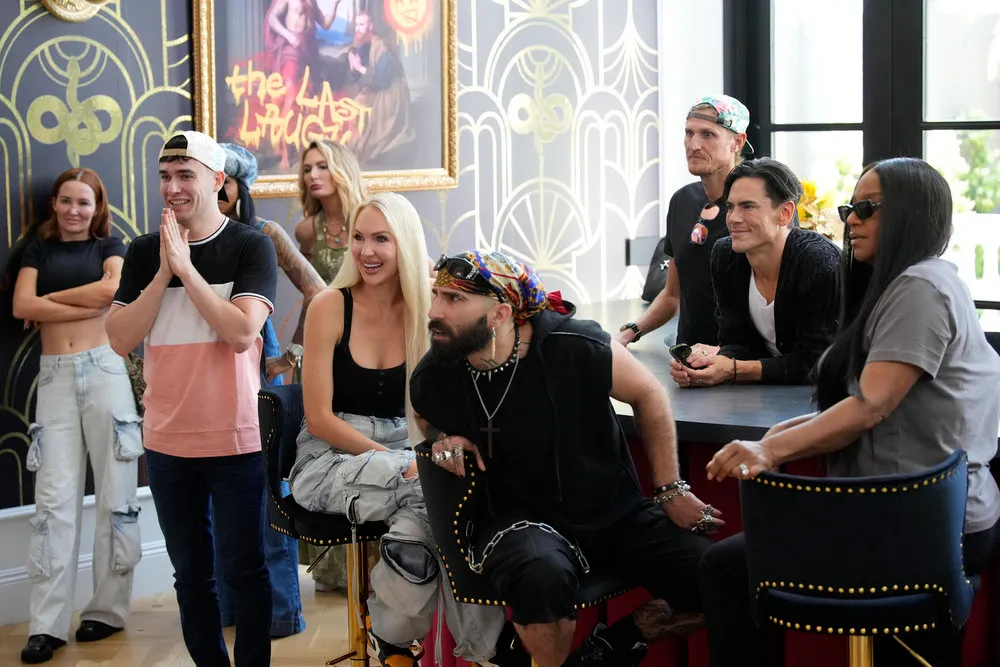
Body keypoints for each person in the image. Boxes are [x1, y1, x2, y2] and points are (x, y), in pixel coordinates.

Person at [700, 157, 1000, 667]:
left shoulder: (921, 289)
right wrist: (774, 438)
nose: (851, 220)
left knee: (727, 568)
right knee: (729, 565)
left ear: (910, 213)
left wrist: (770, 449)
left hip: (923, 523)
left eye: (867, 209)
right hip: (906, 512)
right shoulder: (907, 282)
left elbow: (870, 407)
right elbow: (859, 404)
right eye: (849, 209)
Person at [410, 250, 722, 667]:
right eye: (436, 295)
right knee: (541, 576)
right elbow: (425, 415)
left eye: (453, 299)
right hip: (515, 519)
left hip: (612, 512)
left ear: (501, 313)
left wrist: (669, 490)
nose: (434, 311)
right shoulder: (436, 374)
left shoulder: (576, 343)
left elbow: (649, 394)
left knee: (718, 577)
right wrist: (441, 438)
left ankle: (615, 644)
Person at [287, 194, 506, 666]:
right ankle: (487, 652)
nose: (366, 251)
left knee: (428, 512)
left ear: (405, 244)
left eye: (382, 239)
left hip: (406, 452)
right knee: (435, 488)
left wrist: (420, 457)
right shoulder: (330, 306)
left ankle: (391, 637)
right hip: (330, 458)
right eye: (359, 238)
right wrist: (406, 463)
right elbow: (320, 419)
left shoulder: (428, 306)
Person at [106, 131, 278, 667]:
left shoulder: (251, 245)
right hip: (167, 441)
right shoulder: (143, 252)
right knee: (191, 576)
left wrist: (186, 270)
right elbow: (119, 338)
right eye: (165, 176)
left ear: (218, 180)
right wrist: (163, 272)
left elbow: (242, 333)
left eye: (186, 175)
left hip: (236, 438)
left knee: (245, 571)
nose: (172, 187)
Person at [12, 168, 142, 664]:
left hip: (106, 370)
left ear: (97, 207)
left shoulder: (111, 245)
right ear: (54, 204)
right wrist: (81, 302)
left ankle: (107, 612)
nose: (73, 210)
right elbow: (21, 304)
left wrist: (48, 302)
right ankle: (46, 626)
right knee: (53, 503)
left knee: (117, 495)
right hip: (55, 379)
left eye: (83, 202)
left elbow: (112, 292)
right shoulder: (37, 251)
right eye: (65, 201)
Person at [212, 142, 323, 638]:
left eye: (223, 181)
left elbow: (317, 291)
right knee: (214, 488)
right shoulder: (181, 239)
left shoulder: (264, 234)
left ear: (239, 187)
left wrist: (291, 354)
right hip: (202, 365)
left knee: (265, 487)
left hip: (257, 355)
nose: (215, 190)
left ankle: (280, 611)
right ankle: (227, 608)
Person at [669, 158, 840, 388]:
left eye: (747, 206)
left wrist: (732, 369)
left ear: (785, 213)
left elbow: (816, 363)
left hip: (835, 396)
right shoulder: (725, 255)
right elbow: (738, 343)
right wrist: (709, 363)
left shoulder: (818, 262)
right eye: (730, 207)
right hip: (771, 395)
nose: (733, 218)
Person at [616, 95, 752, 353]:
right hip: (687, 357)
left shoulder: (758, 205)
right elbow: (672, 295)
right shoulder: (683, 201)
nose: (694, 145)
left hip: (738, 361)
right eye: (689, 133)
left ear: (737, 142)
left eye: (708, 134)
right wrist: (629, 333)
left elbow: (778, 300)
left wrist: (729, 357)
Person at [292, 138, 368, 591]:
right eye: (307, 169)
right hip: (322, 347)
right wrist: (295, 351)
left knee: (360, 437)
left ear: (341, 168)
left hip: (366, 349)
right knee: (327, 445)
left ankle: (373, 561)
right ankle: (335, 569)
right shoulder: (306, 230)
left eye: (322, 166)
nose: (313, 175)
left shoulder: (368, 219)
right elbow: (310, 295)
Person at [345, 11, 416, 165]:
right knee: (356, 103)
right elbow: (356, 62)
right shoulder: (365, 43)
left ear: (371, 26)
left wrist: (359, 67)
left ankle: (368, 146)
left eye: (362, 24)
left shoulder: (383, 46)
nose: (358, 29)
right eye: (356, 25)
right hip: (378, 87)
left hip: (391, 93)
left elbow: (381, 79)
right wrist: (351, 54)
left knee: (362, 107)